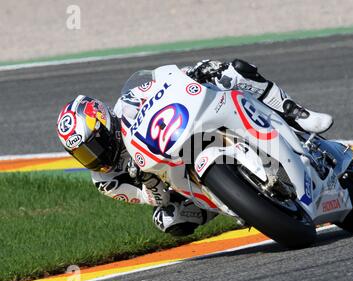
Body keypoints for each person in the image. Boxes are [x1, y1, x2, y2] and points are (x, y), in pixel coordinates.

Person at [56, 59, 333, 236]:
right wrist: (147, 182)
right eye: (82, 155)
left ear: (104, 123)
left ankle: (295, 111)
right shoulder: (106, 181)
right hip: (177, 180)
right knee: (167, 219)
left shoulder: (128, 102)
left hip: (185, 130)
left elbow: (167, 83)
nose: (93, 157)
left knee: (231, 71)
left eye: (92, 147)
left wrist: (196, 71)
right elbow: (151, 200)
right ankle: (244, 204)